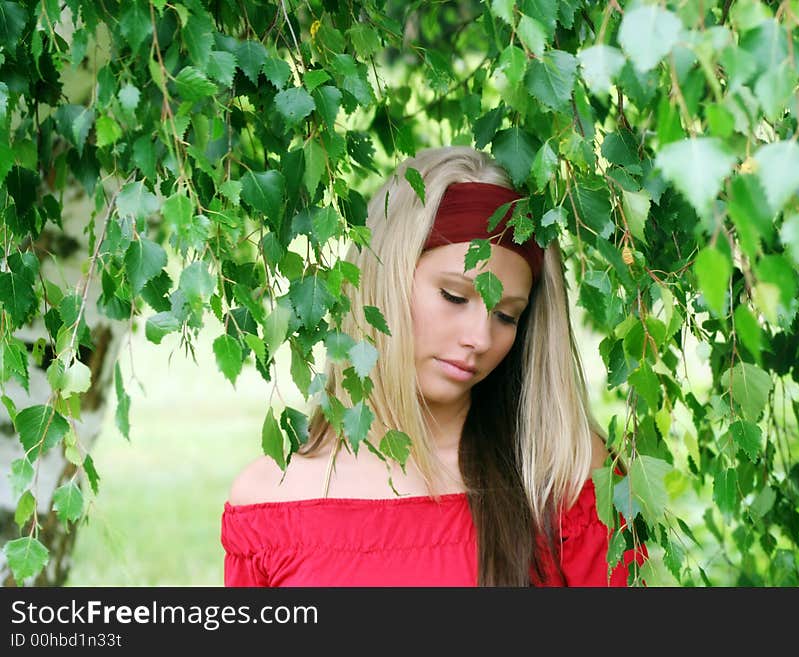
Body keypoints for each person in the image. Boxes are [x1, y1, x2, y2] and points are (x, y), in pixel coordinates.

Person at [221, 145, 644, 586]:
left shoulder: (564, 475)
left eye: (506, 316)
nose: (479, 338)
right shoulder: (270, 504)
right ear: (381, 281)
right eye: (455, 297)